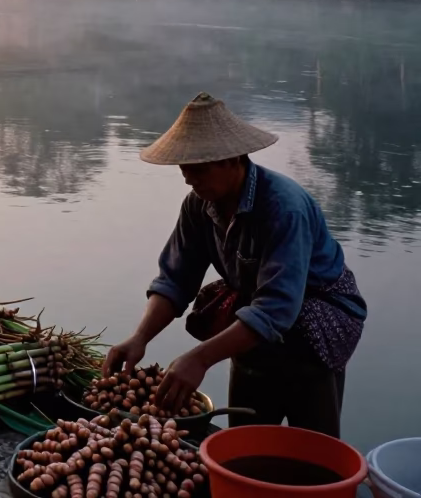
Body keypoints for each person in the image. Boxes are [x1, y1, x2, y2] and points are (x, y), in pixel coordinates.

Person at [104, 92, 366, 439]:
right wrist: (139, 338)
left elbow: (276, 310)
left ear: (233, 160)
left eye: (198, 167)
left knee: (313, 450)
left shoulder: (284, 208)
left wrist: (198, 359)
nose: (187, 177)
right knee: (246, 439)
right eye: (183, 167)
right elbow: (175, 280)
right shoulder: (199, 205)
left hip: (314, 321)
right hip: (256, 317)